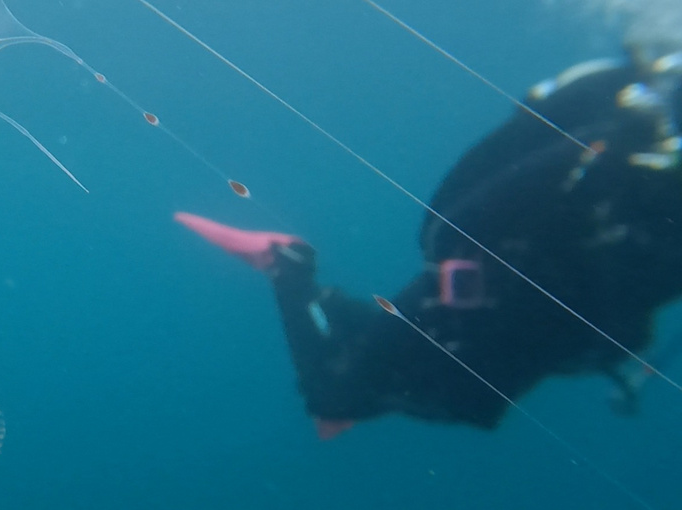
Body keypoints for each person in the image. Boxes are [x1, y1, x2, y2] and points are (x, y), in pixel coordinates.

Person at [177, 54, 682, 438]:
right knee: (331, 399)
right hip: (477, 303)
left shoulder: (640, 176)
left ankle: (326, 307)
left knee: (406, 398)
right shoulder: (622, 162)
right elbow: (485, 209)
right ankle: (286, 263)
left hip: (528, 330)